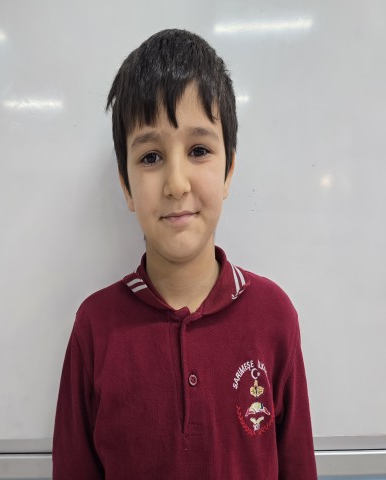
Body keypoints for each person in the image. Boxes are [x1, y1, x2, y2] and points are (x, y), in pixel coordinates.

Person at [52, 28, 317, 479]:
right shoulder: (94, 329)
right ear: (126, 185)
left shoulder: (274, 318)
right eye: (151, 157)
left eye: (198, 150)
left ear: (228, 170)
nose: (176, 184)